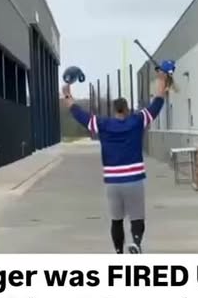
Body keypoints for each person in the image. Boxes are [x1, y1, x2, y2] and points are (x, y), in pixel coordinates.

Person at [62, 72, 168, 254]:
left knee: (116, 219)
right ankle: (135, 242)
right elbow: (156, 105)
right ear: (127, 109)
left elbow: (80, 115)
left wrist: (67, 95)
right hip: (134, 179)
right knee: (137, 217)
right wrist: (162, 83)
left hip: (113, 182)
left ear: (114, 110)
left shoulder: (103, 124)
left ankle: (119, 252)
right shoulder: (137, 121)